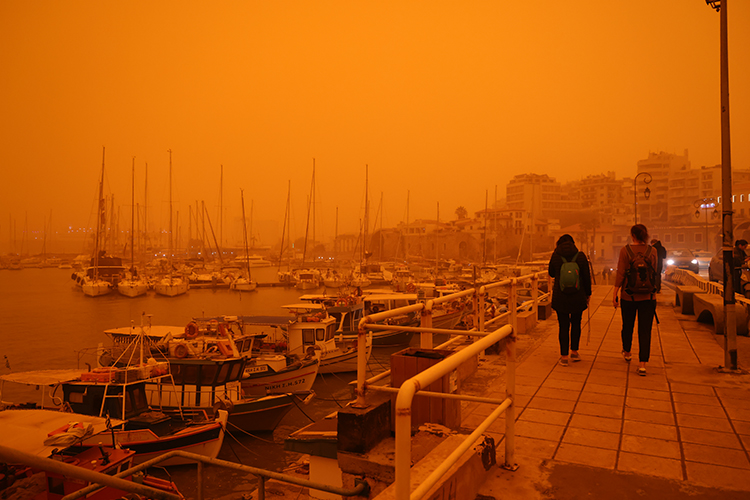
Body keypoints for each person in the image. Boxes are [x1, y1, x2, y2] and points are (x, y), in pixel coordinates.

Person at [613, 224, 657, 376]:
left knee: (627, 325)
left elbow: (620, 273)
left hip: (628, 296)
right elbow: (656, 271)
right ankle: (642, 364)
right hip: (648, 297)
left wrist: (615, 292)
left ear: (632, 235)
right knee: (645, 330)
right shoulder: (653, 251)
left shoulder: (625, 250)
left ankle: (627, 352)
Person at [548, 234, 592, 366]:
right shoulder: (581, 256)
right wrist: (588, 294)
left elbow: (551, 273)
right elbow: (586, 277)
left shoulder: (556, 256)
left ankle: (564, 357)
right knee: (576, 323)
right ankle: (574, 352)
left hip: (560, 297)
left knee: (563, 326)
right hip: (577, 296)